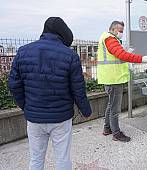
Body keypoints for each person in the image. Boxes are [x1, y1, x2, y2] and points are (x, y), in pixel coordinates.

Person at [8, 17, 92, 170]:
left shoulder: (23, 51)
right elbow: (78, 89)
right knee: (62, 159)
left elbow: (14, 84)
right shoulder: (70, 55)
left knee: (36, 159)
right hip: (61, 118)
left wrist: (26, 106)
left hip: (34, 118)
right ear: (63, 34)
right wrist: (86, 110)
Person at [97, 21, 147, 142]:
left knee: (111, 105)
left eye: (122, 31)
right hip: (114, 78)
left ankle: (107, 128)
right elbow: (121, 55)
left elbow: (117, 55)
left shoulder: (106, 38)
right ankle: (116, 133)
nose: (121, 33)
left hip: (110, 78)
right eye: (120, 30)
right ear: (113, 29)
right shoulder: (110, 39)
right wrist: (141, 59)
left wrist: (127, 53)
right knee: (115, 108)